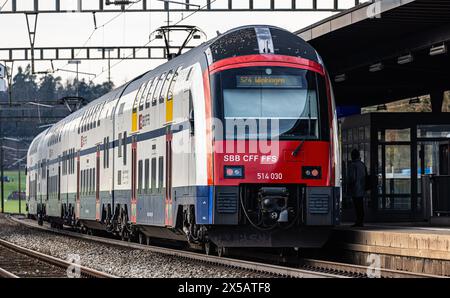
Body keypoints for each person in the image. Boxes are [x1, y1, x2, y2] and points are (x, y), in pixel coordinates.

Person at [348, 149, 367, 227]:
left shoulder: (353, 165)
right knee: (361, 205)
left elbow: (352, 178)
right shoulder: (362, 164)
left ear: (353, 156)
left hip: (356, 188)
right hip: (362, 187)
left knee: (357, 205)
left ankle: (358, 221)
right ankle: (361, 220)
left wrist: (349, 186)